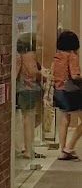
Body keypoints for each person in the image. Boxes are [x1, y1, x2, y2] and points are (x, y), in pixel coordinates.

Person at [51, 30, 82, 160]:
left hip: (59, 90)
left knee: (64, 119)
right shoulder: (72, 56)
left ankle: (62, 150)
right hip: (72, 91)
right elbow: (75, 76)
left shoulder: (57, 56)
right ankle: (69, 146)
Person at [15, 33, 44, 160]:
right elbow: (33, 72)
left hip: (22, 89)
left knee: (27, 119)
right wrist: (41, 75)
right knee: (31, 119)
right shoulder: (31, 55)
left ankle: (26, 147)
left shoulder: (19, 56)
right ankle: (28, 148)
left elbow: (16, 73)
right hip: (30, 89)